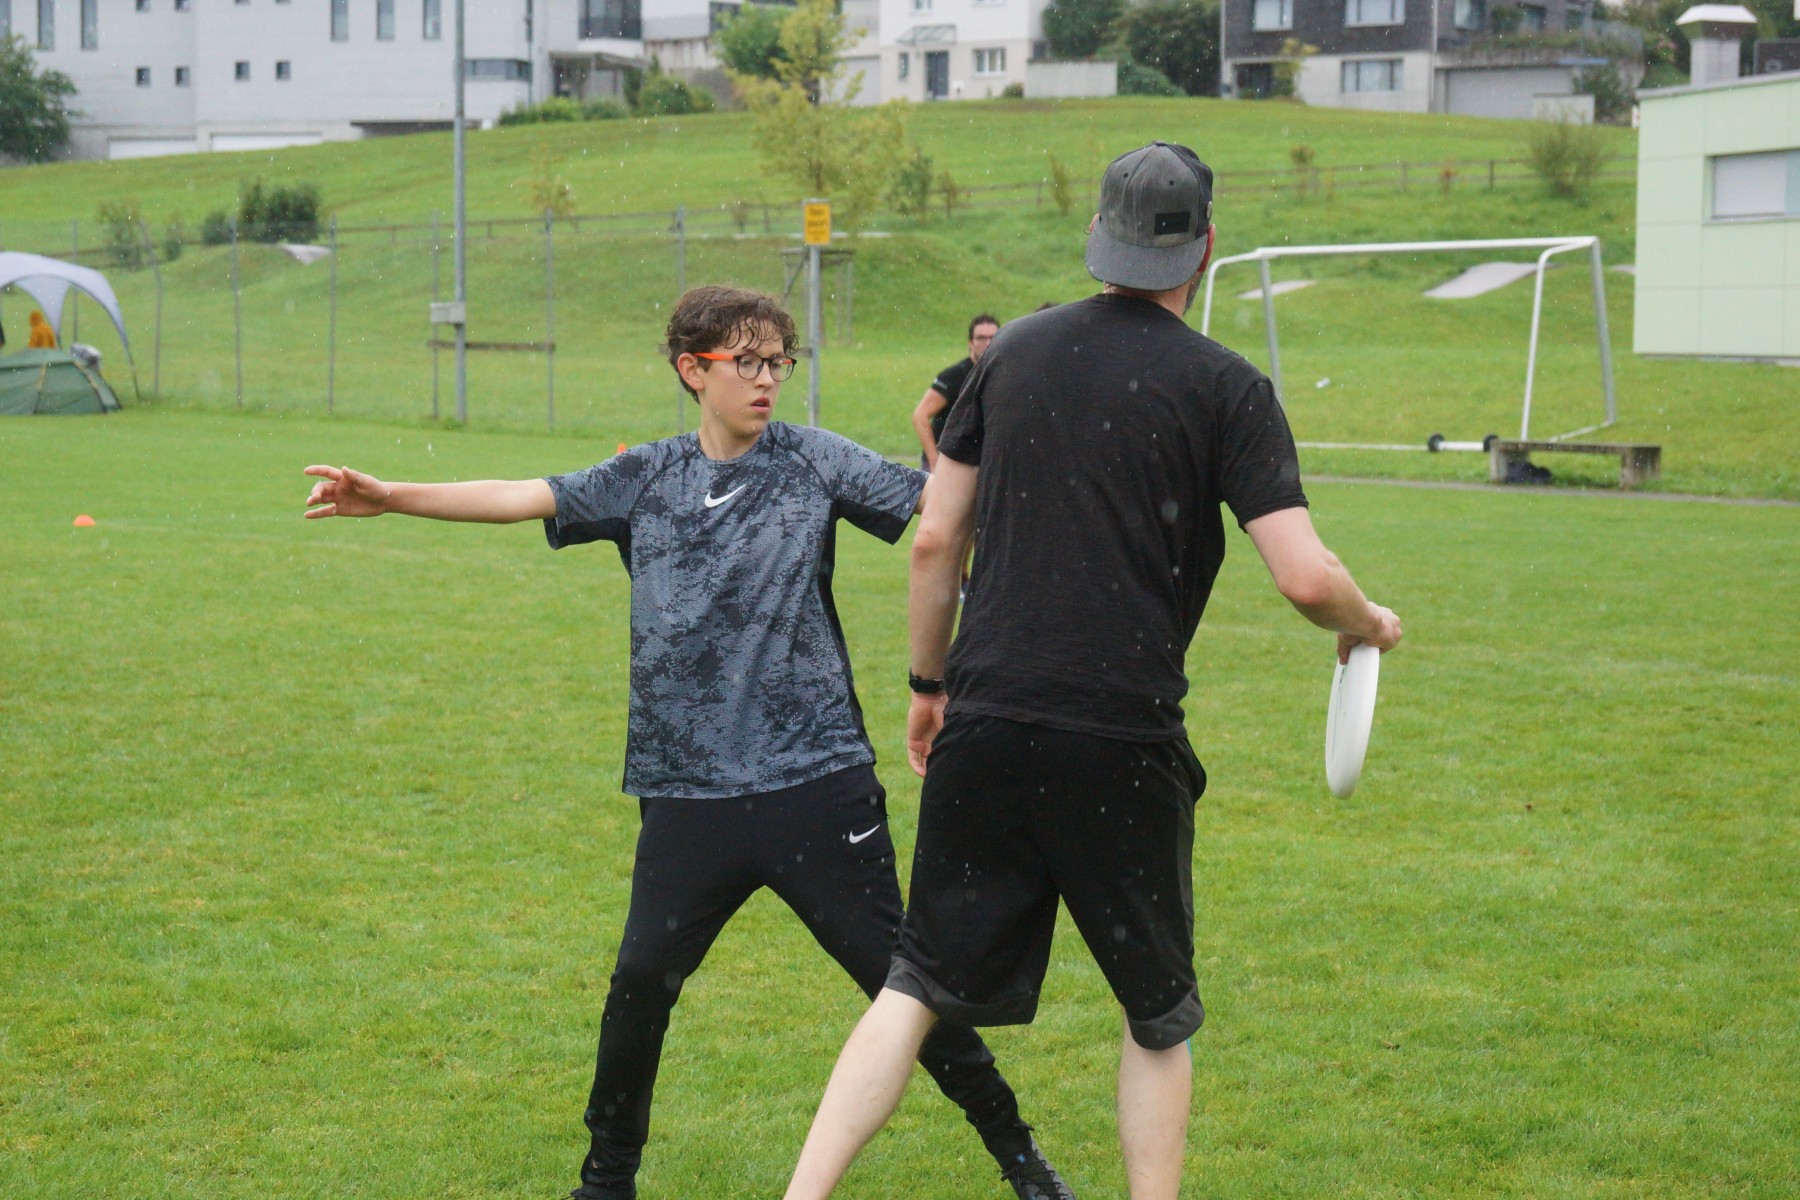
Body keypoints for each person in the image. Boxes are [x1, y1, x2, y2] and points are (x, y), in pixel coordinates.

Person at [301, 285, 1072, 1200]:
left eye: (778, 361)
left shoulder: (815, 460)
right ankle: (606, 1182)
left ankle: (1021, 1160)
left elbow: (946, 511)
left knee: (903, 989)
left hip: (816, 784)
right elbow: (519, 495)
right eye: (746, 361)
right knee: (640, 983)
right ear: (691, 370)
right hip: (686, 794)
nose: (767, 379)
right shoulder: (645, 476)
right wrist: (390, 496)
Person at [783, 141, 1404, 1200]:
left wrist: (929, 688)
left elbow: (935, 542)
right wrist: (1368, 622)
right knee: (1156, 1013)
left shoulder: (1012, 353)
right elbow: (1306, 578)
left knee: (914, 984)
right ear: (1206, 247)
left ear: (1096, 239)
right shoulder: (1228, 386)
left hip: (988, 718)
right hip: (1121, 737)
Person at [911, 313, 998, 471]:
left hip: (978, 462)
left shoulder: (999, 374)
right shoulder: (954, 376)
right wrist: (934, 461)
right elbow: (920, 416)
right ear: (970, 342)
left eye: (993, 337)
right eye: (981, 338)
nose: (987, 343)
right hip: (947, 461)